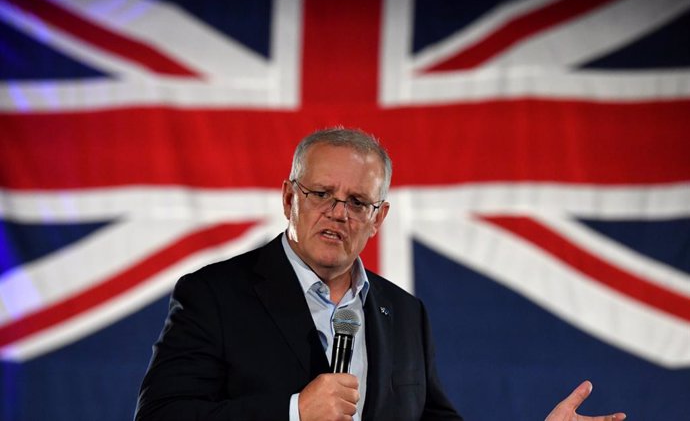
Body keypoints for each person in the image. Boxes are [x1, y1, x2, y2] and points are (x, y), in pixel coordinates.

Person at [134, 127, 626, 421]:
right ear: (289, 199)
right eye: (321, 193)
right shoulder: (214, 295)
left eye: (357, 202)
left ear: (379, 218)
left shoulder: (404, 313)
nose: (337, 212)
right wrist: (293, 413)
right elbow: (162, 418)